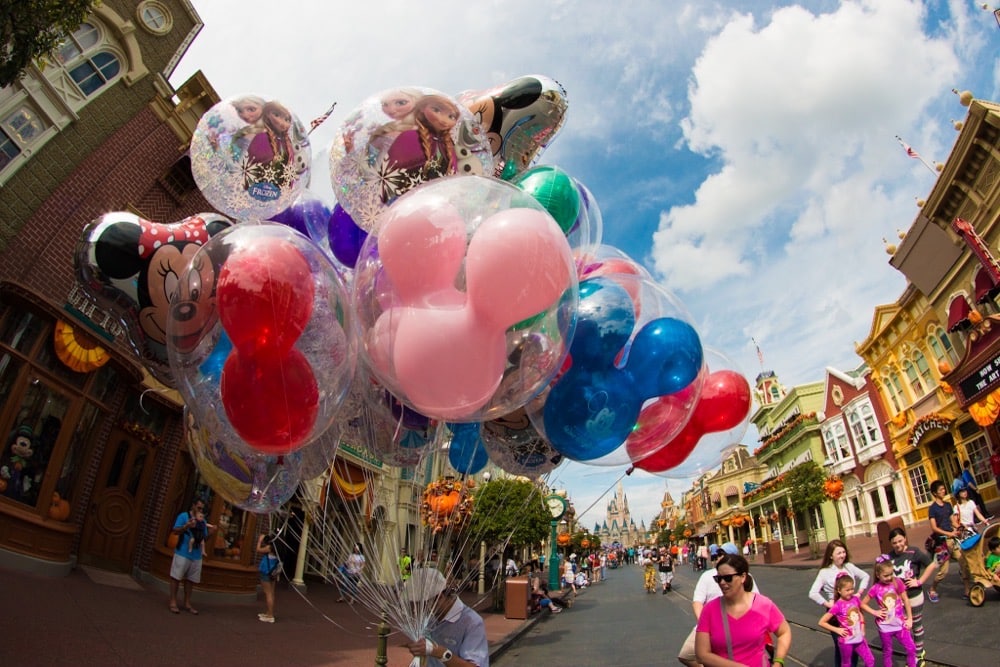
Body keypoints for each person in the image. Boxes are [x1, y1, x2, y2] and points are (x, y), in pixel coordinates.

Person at [695, 553, 791, 667]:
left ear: (743, 577)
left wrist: (778, 662)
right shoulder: (709, 610)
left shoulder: (763, 605)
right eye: (718, 578)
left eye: (727, 578)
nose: (722, 582)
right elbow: (701, 654)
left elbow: (784, 632)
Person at [677, 542, 761, 667]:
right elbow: (697, 603)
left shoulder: (746, 577)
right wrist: (706, 627)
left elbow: (756, 601)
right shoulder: (707, 576)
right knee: (686, 654)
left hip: (739, 623)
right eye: (718, 554)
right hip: (710, 624)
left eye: (723, 554)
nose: (719, 557)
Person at [403, 568, 489, 667]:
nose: (419, 610)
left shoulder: (472, 622)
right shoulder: (430, 618)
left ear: (439, 597)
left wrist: (440, 653)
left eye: (424, 604)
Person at [808, 539, 871, 667]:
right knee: (841, 647)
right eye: (839, 553)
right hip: (836, 615)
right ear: (831, 556)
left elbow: (865, 576)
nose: (842, 555)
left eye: (843, 552)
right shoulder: (825, 572)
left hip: (851, 611)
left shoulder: (849, 567)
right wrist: (827, 604)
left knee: (854, 645)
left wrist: (859, 593)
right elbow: (813, 593)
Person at [888, 526, 937, 661]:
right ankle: (911, 649)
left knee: (916, 623)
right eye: (894, 542)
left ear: (905, 539)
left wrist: (919, 581)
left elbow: (931, 565)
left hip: (914, 595)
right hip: (898, 599)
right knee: (904, 626)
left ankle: (919, 652)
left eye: (900, 541)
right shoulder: (889, 556)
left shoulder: (913, 552)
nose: (898, 545)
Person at [861, 557, 916, 667]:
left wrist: (910, 618)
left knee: (911, 648)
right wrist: (875, 612)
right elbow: (862, 603)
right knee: (887, 652)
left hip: (900, 625)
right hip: (885, 627)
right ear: (878, 574)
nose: (889, 577)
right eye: (885, 575)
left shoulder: (897, 582)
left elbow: (905, 599)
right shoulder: (875, 588)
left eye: (891, 574)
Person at [819, 574, 876, 667]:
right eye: (847, 590)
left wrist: (862, 627)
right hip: (846, 642)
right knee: (847, 664)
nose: (850, 592)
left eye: (852, 589)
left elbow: (860, 614)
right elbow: (821, 622)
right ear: (839, 590)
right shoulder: (837, 605)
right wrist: (837, 630)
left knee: (870, 660)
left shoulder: (855, 599)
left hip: (859, 639)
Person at [168, 498, 213, 615]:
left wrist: (211, 533)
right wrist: (186, 526)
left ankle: (187, 603)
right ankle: (173, 601)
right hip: (183, 552)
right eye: (199, 508)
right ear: (193, 506)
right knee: (176, 577)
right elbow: (175, 531)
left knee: (190, 580)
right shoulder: (184, 516)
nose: (200, 511)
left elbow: (204, 538)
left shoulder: (202, 521)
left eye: (202, 509)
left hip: (197, 555)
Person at [927, 479, 965, 603]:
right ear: (935, 493)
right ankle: (932, 589)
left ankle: (968, 590)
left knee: (963, 562)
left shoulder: (948, 505)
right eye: (941, 490)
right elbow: (934, 527)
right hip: (941, 543)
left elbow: (952, 520)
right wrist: (949, 533)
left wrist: (958, 526)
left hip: (952, 540)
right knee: (943, 571)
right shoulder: (932, 509)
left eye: (944, 489)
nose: (944, 491)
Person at [256, 533, 280, 623]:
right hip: (272, 573)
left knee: (268, 593)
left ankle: (270, 616)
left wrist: (259, 541)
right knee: (271, 593)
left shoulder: (270, 548)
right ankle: (269, 612)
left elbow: (258, 550)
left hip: (266, 572)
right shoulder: (278, 549)